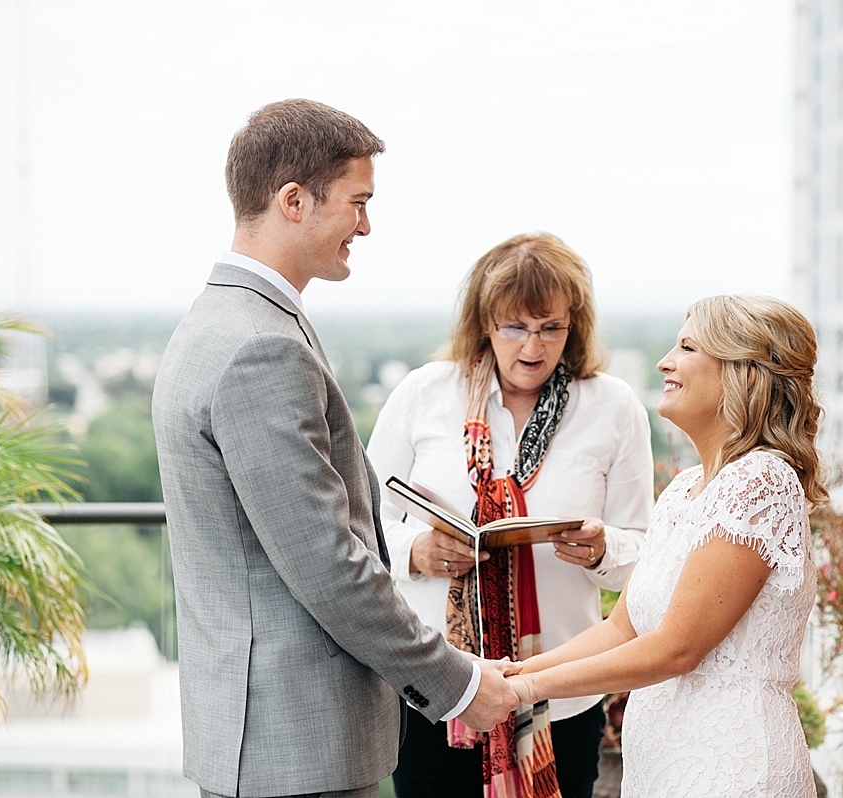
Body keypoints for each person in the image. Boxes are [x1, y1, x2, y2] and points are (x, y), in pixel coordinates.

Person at [151, 99, 519, 798]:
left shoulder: (218, 322)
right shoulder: (262, 346)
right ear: (293, 200)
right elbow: (329, 564)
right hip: (293, 746)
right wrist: (457, 682)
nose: (366, 224)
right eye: (357, 201)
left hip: (259, 735)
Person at [367, 232, 654, 798]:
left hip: (560, 699)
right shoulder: (423, 395)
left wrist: (603, 550)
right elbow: (361, 528)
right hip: (437, 693)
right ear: (484, 323)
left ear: (575, 327)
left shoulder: (613, 407)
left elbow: (643, 554)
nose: (533, 346)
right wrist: (417, 552)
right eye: (515, 327)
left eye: (551, 327)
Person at [506, 295, 828, 797]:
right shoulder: (683, 489)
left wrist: (525, 691)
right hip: (663, 767)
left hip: (732, 769)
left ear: (742, 374)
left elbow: (677, 648)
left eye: (686, 346)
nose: (664, 361)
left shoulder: (761, 481)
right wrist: (514, 673)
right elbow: (622, 628)